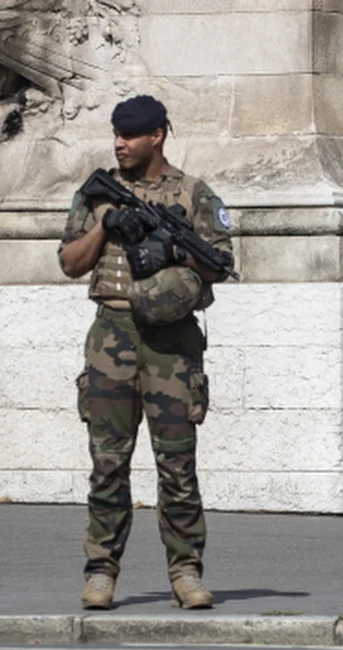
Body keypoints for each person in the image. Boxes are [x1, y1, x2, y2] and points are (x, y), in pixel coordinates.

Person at [59, 95, 235, 610]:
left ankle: (185, 572)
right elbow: (70, 262)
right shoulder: (96, 195)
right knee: (107, 464)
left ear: (157, 135)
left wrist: (174, 249)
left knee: (177, 466)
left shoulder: (193, 193)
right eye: (116, 133)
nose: (120, 142)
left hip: (172, 345)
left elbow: (220, 263)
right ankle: (101, 573)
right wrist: (104, 226)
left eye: (130, 134)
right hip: (111, 336)